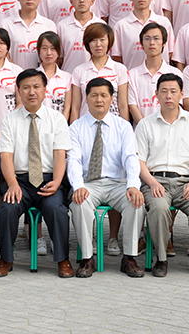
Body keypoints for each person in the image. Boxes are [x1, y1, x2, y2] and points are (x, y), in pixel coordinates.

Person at [0, 69, 73, 278]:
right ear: (19, 91)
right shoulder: (9, 120)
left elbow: (60, 155)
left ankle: (63, 260)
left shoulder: (57, 119)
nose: (31, 92)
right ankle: (6, 259)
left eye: (36, 87)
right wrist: (12, 184)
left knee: (57, 209)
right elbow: (6, 156)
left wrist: (57, 181)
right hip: (18, 180)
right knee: (7, 209)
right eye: (26, 88)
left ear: (45, 90)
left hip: (48, 180)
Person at [68, 77, 145, 278]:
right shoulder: (76, 127)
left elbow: (130, 157)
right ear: (86, 98)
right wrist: (78, 186)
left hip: (117, 183)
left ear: (112, 99)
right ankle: (87, 258)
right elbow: (73, 160)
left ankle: (129, 258)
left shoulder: (123, 126)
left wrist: (133, 185)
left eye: (104, 95)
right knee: (79, 203)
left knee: (136, 202)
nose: (99, 100)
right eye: (94, 95)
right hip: (88, 183)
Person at [136, 74, 189, 278]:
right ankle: (161, 259)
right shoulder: (145, 124)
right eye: (164, 91)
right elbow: (139, 160)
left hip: (185, 182)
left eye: (173, 91)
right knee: (159, 208)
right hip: (155, 181)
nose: (168, 96)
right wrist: (151, 183)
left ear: (181, 94)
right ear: (156, 94)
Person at [111, 0, 174, 70]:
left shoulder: (164, 22)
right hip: (133, 76)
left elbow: (170, 52)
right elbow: (117, 57)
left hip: (162, 76)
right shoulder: (121, 26)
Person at [71, 22, 129, 122]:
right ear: (88, 43)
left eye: (102, 40)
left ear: (109, 41)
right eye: (93, 40)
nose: (98, 44)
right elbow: (76, 107)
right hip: (86, 124)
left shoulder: (120, 69)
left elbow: (123, 106)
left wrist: (125, 128)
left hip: (113, 124)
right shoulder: (79, 71)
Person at [128, 23, 182, 123]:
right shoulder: (132, 75)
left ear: (164, 43)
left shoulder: (175, 73)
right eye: (147, 38)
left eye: (156, 38)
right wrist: (145, 128)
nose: (152, 43)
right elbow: (132, 106)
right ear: (141, 44)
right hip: (142, 130)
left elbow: (179, 104)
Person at [0, 0, 56, 69]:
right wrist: (16, 72)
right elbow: (4, 54)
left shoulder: (49, 25)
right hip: (13, 75)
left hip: (41, 75)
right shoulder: (6, 24)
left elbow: (53, 55)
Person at [57, 0, 103, 73]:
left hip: (94, 77)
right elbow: (59, 58)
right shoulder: (62, 26)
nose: (81, 0)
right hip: (69, 75)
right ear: (71, 1)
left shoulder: (101, 25)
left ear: (92, 1)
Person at [37, 32, 72, 118]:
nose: (49, 53)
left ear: (59, 51)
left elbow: (67, 108)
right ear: (39, 51)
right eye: (44, 48)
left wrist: (61, 124)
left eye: (53, 48)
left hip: (59, 123)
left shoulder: (67, 77)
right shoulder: (33, 77)